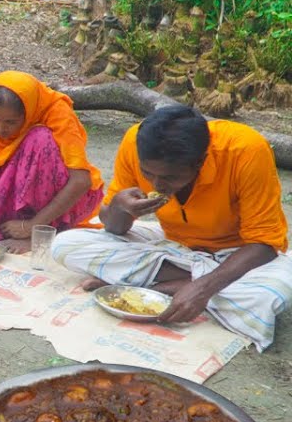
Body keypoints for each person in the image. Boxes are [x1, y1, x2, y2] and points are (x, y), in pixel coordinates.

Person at [52, 106, 292, 350]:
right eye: (148, 173)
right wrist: (120, 207)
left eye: (170, 177)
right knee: (65, 244)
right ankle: (183, 286)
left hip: (237, 254)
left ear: (200, 162)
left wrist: (203, 288)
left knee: (269, 294)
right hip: (173, 245)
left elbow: (264, 244)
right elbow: (115, 229)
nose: (157, 184)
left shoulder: (245, 150)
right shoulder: (135, 142)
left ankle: (151, 287)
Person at [0, 71, 103, 251]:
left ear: (28, 113)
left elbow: (80, 181)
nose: (0, 128)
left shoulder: (58, 113)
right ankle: (10, 230)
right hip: (5, 191)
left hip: (52, 198)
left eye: (11, 122)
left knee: (40, 139)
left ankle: (40, 234)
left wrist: (32, 225)